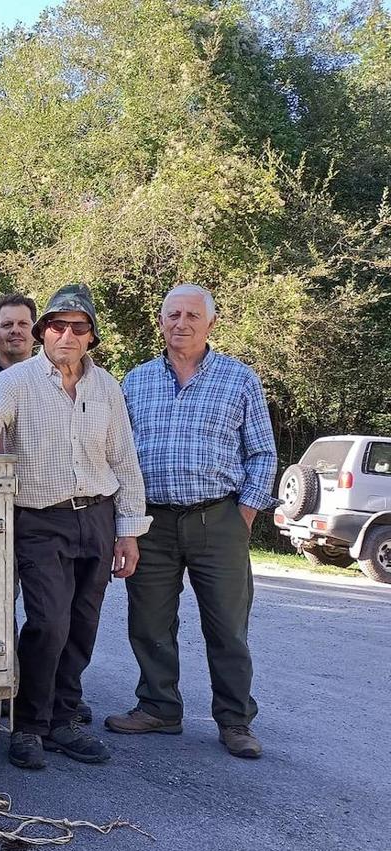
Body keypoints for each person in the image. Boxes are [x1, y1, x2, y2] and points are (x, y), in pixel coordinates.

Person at [0, 283, 150, 770]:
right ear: (44, 334)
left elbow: (124, 460)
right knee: (48, 622)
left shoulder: (107, 387)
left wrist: (128, 530)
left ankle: (64, 721)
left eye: (77, 327)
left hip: (98, 518)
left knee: (83, 624)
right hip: (40, 518)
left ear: (90, 337)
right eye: (57, 326)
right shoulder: (17, 381)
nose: (66, 335)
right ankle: (29, 725)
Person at [105, 284, 277, 760]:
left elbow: (262, 453)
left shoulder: (239, 379)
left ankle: (235, 719)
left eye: (192, 316)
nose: (181, 323)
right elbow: (118, 455)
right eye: (173, 314)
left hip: (218, 517)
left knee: (227, 626)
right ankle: (159, 707)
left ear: (210, 324)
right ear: (160, 322)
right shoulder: (135, 382)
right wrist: (126, 523)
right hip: (152, 522)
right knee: (149, 622)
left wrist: (242, 516)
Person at [0, 292, 37, 378]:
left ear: (36, 332)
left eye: (23, 324)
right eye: (7, 324)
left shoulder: (52, 376)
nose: (15, 330)